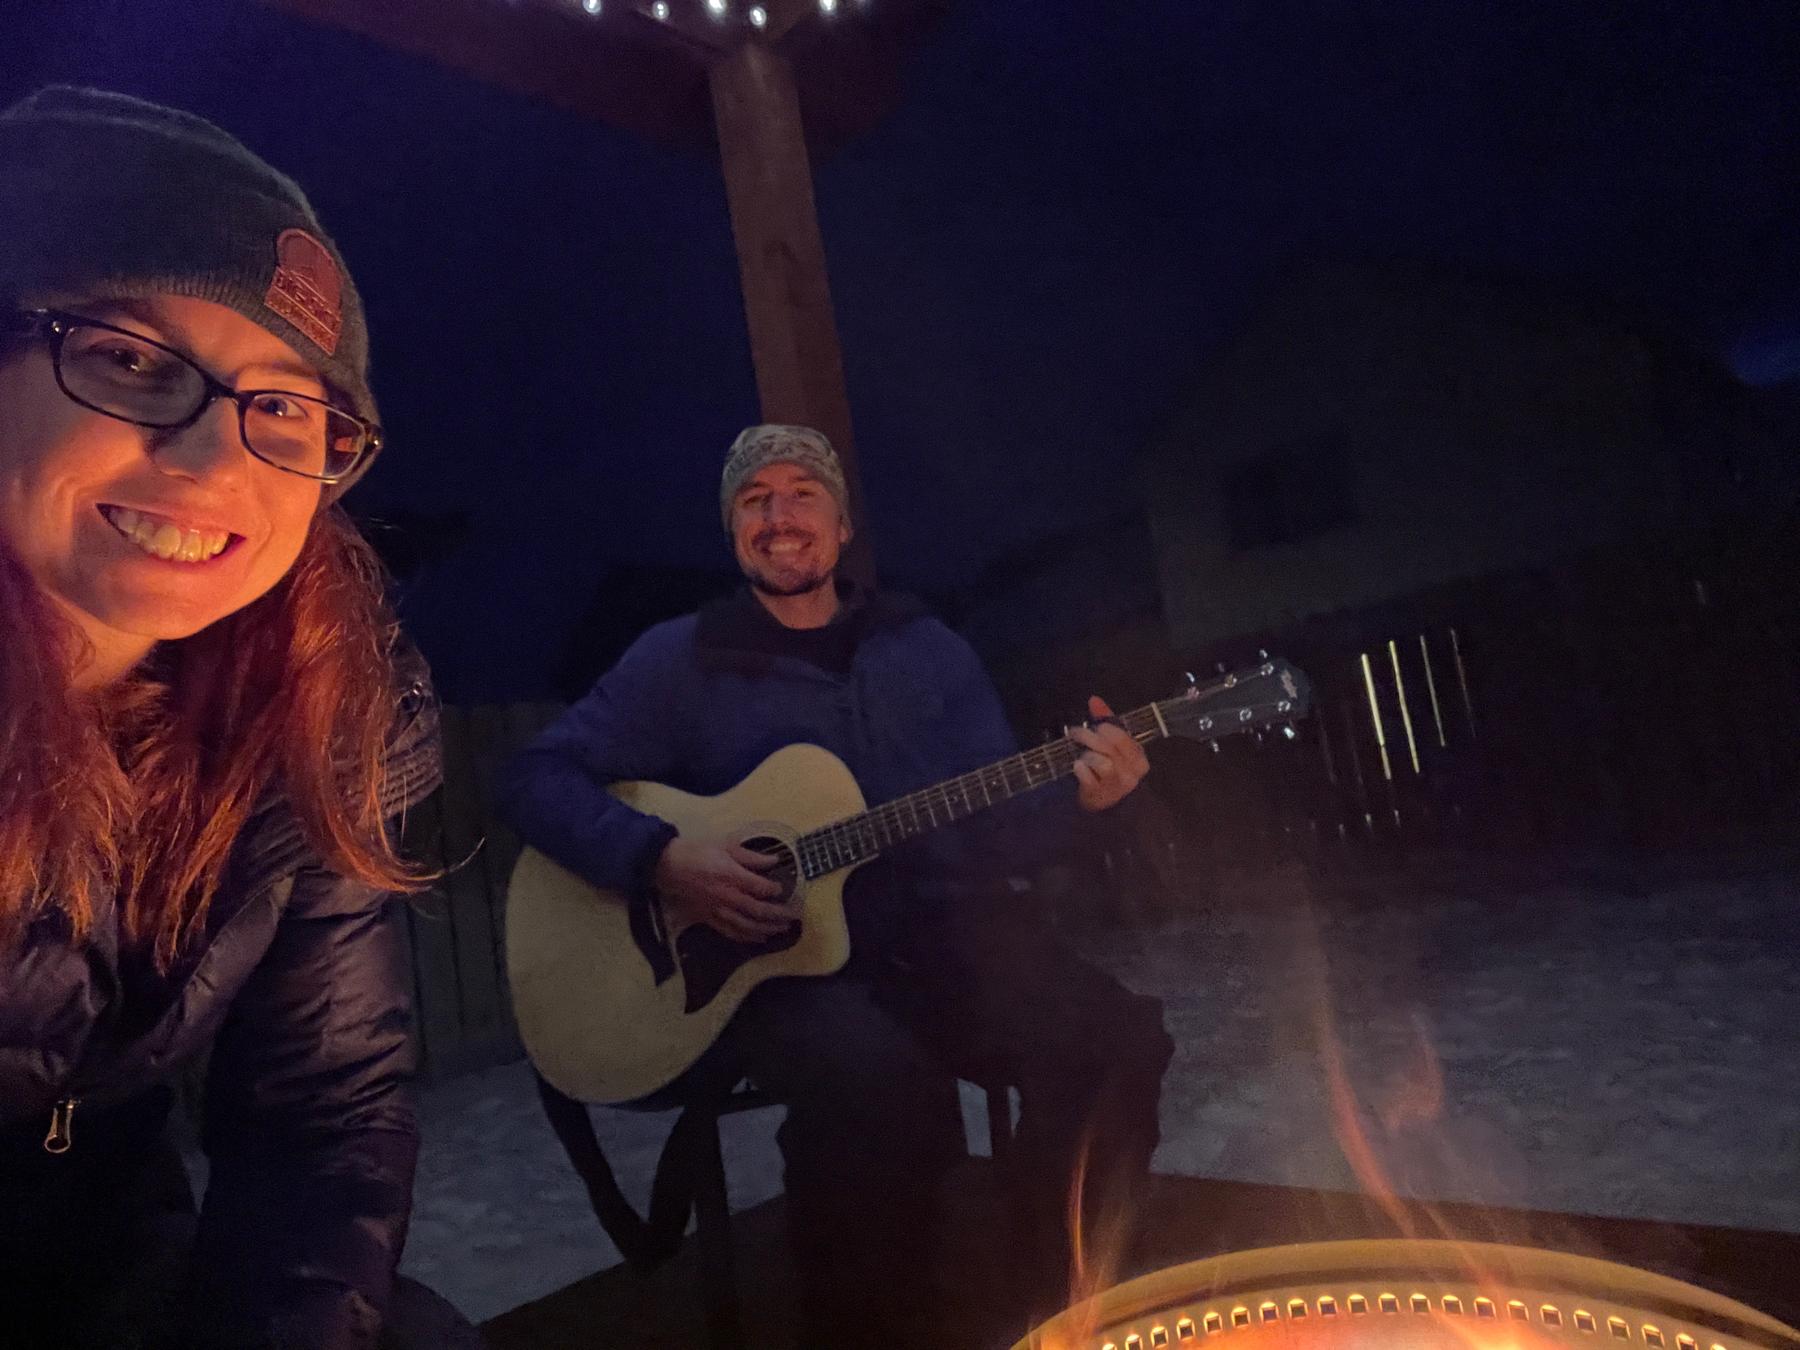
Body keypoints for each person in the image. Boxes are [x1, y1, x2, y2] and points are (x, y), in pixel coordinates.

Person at [501, 424, 1174, 1344]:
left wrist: (1087, 801)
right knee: (881, 1097)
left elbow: (999, 831)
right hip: (775, 963)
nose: (780, 516)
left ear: (844, 525)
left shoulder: (928, 650)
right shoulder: (682, 658)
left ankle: (1065, 1300)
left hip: (938, 936)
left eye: (802, 494)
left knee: (1114, 1040)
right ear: (733, 530)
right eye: (755, 500)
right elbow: (534, 778)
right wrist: (659, 857)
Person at [0, 88, 450, 1349]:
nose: (213, 462)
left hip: (117, 1256)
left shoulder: (316, 709)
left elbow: (324, 1105)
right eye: (131, 360)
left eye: (286, 406)